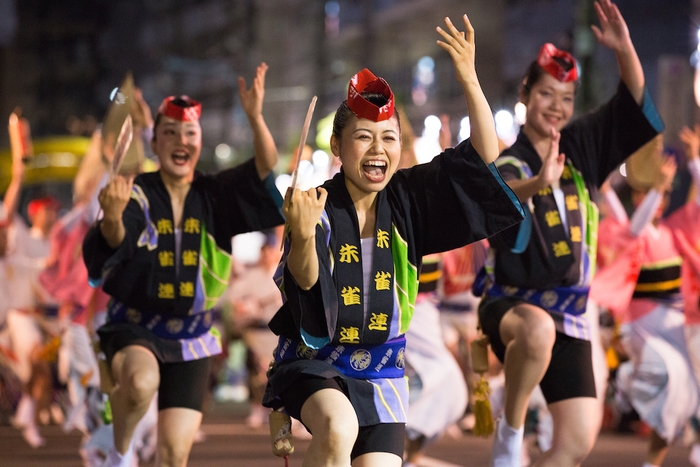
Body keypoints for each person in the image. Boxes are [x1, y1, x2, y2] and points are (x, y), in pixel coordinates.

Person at [263, 15, 524, 467]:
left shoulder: (409, 196)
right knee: (338, 427)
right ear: (338, 147)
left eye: (389, 138)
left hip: (382, 370)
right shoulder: (314, 203)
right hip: (317, 361)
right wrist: (302, 234)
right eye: (364, 137)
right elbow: (304, 281)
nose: (378, 149)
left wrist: (468, 76)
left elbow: (486, 153)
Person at [476, 1, 663, 466]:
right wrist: (536, 186)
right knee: (537, 331)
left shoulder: (580, 146)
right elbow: (496, 202)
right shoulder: (509, 161)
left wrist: (624, 50)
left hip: (572, 313)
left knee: (576, 444)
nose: (556, 107)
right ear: (525, 95)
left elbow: (633, 106)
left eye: (565, 98)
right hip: (514, 304)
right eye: (546, 95)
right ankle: (510, 434)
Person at [82, 62, 284, 467]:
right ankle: (117, 454)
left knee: (174, 456)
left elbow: (264, 169)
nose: (180, 140)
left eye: (189, 133)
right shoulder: (136, 193)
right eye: (169, 133)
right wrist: (113, 218)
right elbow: (112, 245)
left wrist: (256, 117)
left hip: (193, 337)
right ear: (153, 143)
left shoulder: (215, 194)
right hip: (134, 326)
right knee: (141, 383)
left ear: (199, 142)